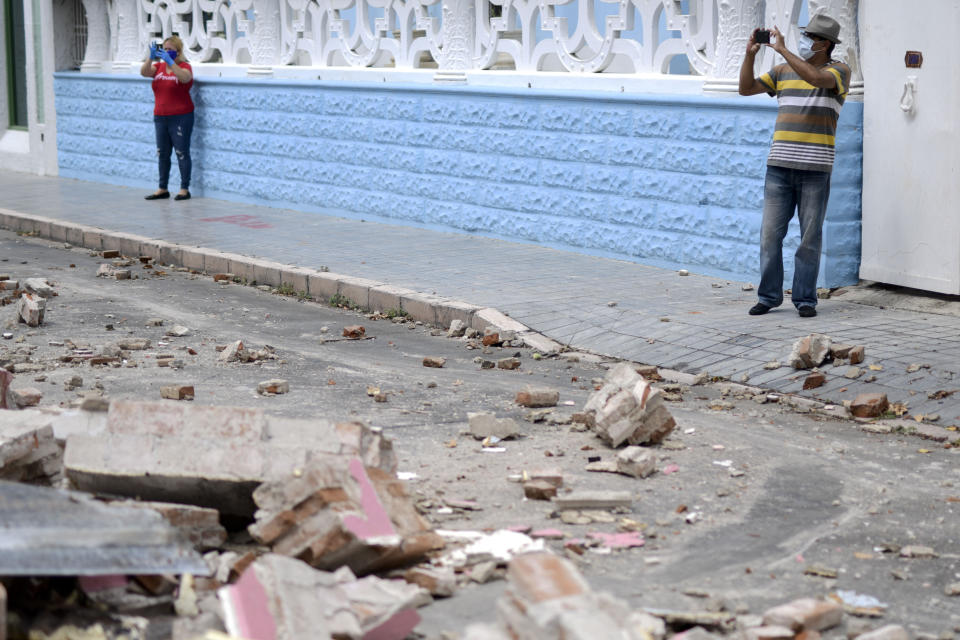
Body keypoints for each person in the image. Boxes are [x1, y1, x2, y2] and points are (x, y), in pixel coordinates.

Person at [738, 14, 850, 318]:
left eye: (809, 37)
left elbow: (814, 79)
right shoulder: (782, 71)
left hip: (815, 171)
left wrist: (783, 49)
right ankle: (769, 296)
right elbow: (745, 88)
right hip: (778, 168)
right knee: (769, 236)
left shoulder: (839, 71)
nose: (804, 41)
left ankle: (805, 300)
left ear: (824, 44)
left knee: (809, 240)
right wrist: (750, 56)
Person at [140, 35, 195, 201]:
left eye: (170, 49)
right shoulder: (159, 67)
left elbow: (185, 78)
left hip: (180, 117)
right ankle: (162, 188)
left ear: (178, 51)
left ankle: (184, 189)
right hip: (160, 117)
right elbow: (144, 73)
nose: (167, 52)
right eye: (165, 49)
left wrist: (171, 63)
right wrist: (150, 58)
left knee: (181, 152)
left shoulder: (185, 67)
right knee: (162, 153)